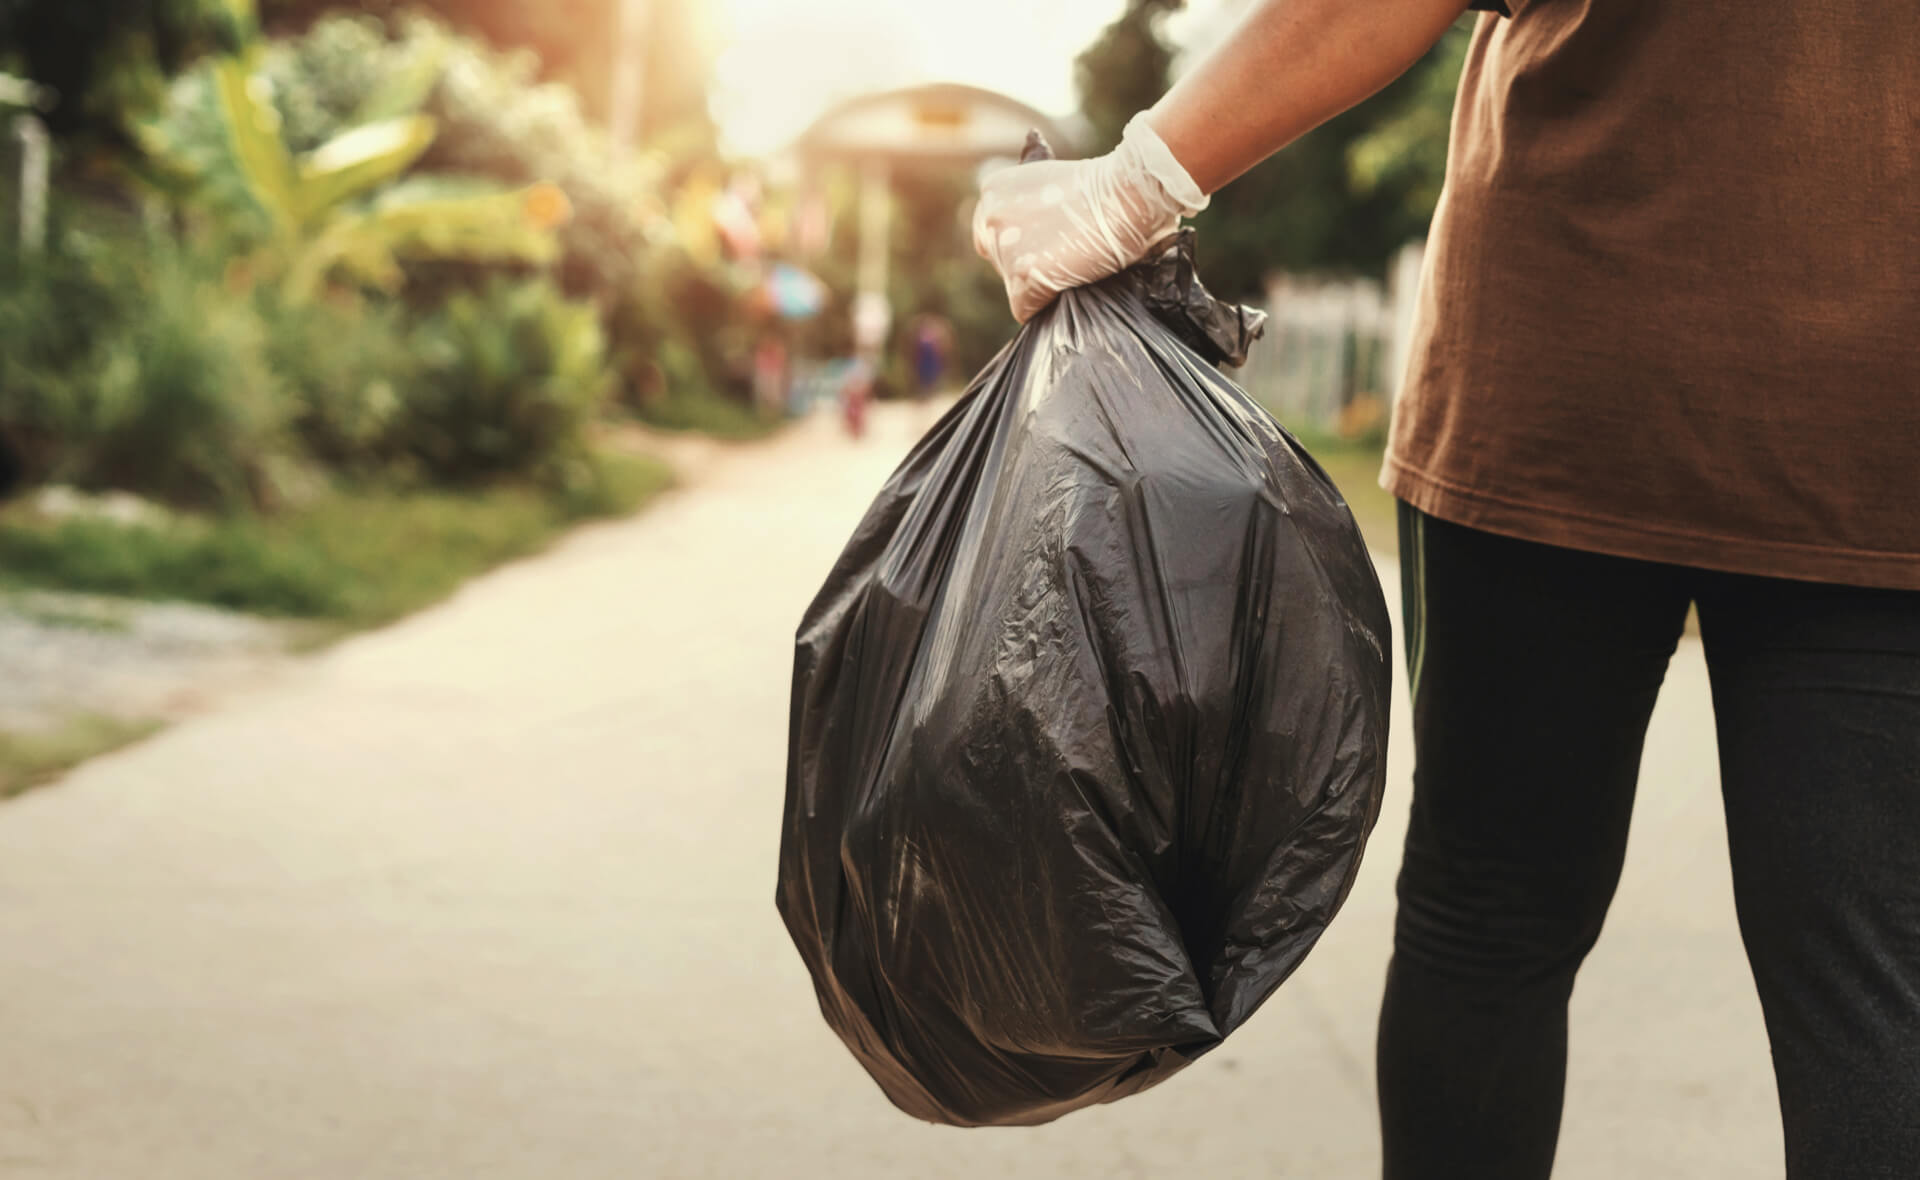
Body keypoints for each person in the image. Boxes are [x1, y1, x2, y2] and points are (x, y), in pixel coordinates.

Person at [973, 3, 1920, 1178]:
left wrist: (1135, 180)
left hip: (1570, 361)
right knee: (1874, 979)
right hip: (1882, 406)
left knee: (1490, 926)